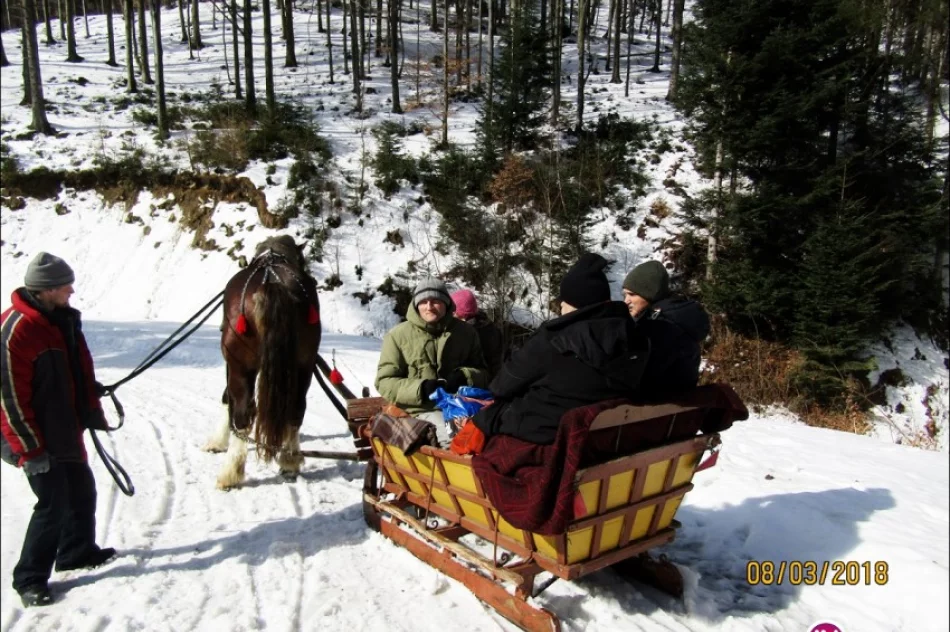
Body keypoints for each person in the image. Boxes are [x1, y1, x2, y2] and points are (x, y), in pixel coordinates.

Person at [0, 253, 117, 608]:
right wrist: (30, 450)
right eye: (66, 284)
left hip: (62, 427)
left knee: (82, 490)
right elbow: (8, 398)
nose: (71, 289)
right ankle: (30, 578)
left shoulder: (58, 321)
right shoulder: (17, 330)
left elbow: (70, 368)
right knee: (53, 503)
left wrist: (88, 393)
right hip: (29, 435)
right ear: (47, 289)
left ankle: (75, 553)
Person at [472, 253, 649, 445]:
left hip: (547, 435)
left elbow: (502, 386)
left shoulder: (554, 339)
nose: (560, 307)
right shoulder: (635, 338)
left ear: (573, 304)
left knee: (483, 416)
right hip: (602, 439)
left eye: (563, 302)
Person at [375, 278, 488, 443]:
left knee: (496, 431)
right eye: (423, 302)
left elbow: (484, 373)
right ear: (416, 305)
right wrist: (421, 389)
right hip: (420, 408)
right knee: (456, 439)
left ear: (446, 303)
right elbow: (384, 382)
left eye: (435, 301)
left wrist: (466, 376)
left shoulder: (466, 333)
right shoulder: (397, 336)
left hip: (463, 402)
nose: (429, 307)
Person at [621, 260, 710, 399]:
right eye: (624, 295)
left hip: (651, 409)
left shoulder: (660, 327)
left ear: (649, 294)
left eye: (632, 294)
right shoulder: (679, 318)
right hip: (674, 411)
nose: (626, 301)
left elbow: (640, 378)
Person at [450, 289, 505, 381]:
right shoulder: (490, 327)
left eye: (453, 313)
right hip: (494, 380)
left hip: (475, 384)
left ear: (462, 316)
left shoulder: (468, 334)